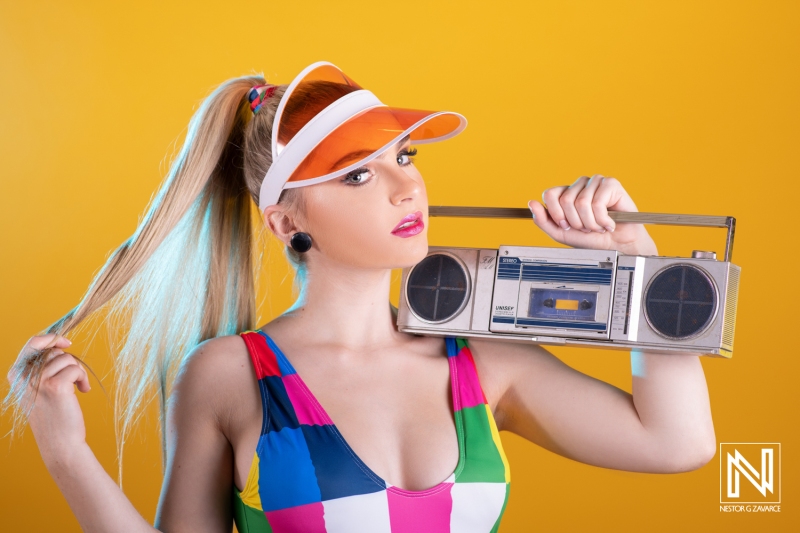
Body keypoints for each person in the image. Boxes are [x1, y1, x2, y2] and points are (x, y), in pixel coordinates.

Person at [5, 61, 716, 533]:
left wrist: (642, 266)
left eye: (403, 158)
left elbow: (677, 442)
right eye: (356, 175)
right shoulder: (230, 374)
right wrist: (68, 454)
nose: (406, 186)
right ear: (286, 221)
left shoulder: (480, 356)